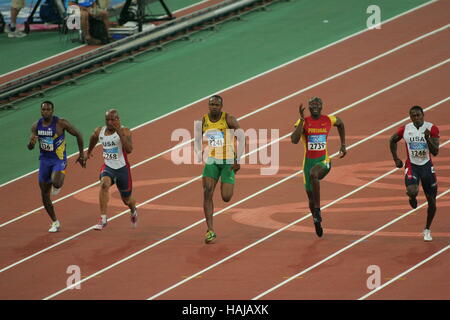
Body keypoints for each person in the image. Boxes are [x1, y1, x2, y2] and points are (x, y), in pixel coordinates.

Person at [291, 97, 346, 237]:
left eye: (317, 104)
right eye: (312, 104)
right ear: (309, 107)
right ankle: (316, 220)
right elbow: (294, 140)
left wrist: (343, 145)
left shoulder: (328, 120)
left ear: (322, 106)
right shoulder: (303, 122)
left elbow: (340, 123)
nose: (315, 106)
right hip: (307, 163)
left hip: (324, 161)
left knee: (314, 173)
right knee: (310, 198)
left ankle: (317, 210)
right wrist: (302, 121)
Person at [27, 101, 85, 232]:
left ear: (52, 111)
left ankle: (56, 184)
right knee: (44, 195)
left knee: (57, 183)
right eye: (43, 110)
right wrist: (31, 144)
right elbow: (30, 147)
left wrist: (81, 154)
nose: (45, 112)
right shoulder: (36, 126)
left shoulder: (61, 123)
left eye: (48, 110)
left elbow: (78, 134)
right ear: (41, 111)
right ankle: (55, 222)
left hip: (58, 160)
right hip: (44, 161)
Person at [194, 95, 244, 244]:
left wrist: (238, 159)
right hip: (212, 160)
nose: (214, 107)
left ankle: (225, 180)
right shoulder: (203, 121)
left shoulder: (228, 119)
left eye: (217, 105)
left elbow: (241, 137)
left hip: (228, 161)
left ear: (221, 107)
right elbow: (197, 138)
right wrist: (199, 151)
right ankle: (210, 230)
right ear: (208, 106)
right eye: (212, 105)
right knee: (207, 191)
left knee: (226, 197)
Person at [389, 106, 440, 241]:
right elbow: (392, 140)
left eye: (418, 115)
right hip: (412, 165)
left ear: (423, 115)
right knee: (412, 190)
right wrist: (396, 159)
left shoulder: (432, 128)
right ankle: (412, 197)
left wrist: (428, 139)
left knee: (432, 202)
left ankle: (427, 229)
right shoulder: (406, 129)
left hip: (427, 166)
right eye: (413, 116)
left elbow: (435, 152)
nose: (416, 118)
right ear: (410, 117)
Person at [84, 109, 137, 230]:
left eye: (113, 119)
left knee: (127, 200)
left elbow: (129, 150)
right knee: (104, 184)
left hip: (122, 169)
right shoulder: (100, 131)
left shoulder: (125, 131)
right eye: (107, 119)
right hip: (108, 167)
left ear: (118, 120)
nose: (110, 122)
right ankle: (103, 219)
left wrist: (119, 133)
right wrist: (89, 152)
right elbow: (93, 138)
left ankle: (133, 210)